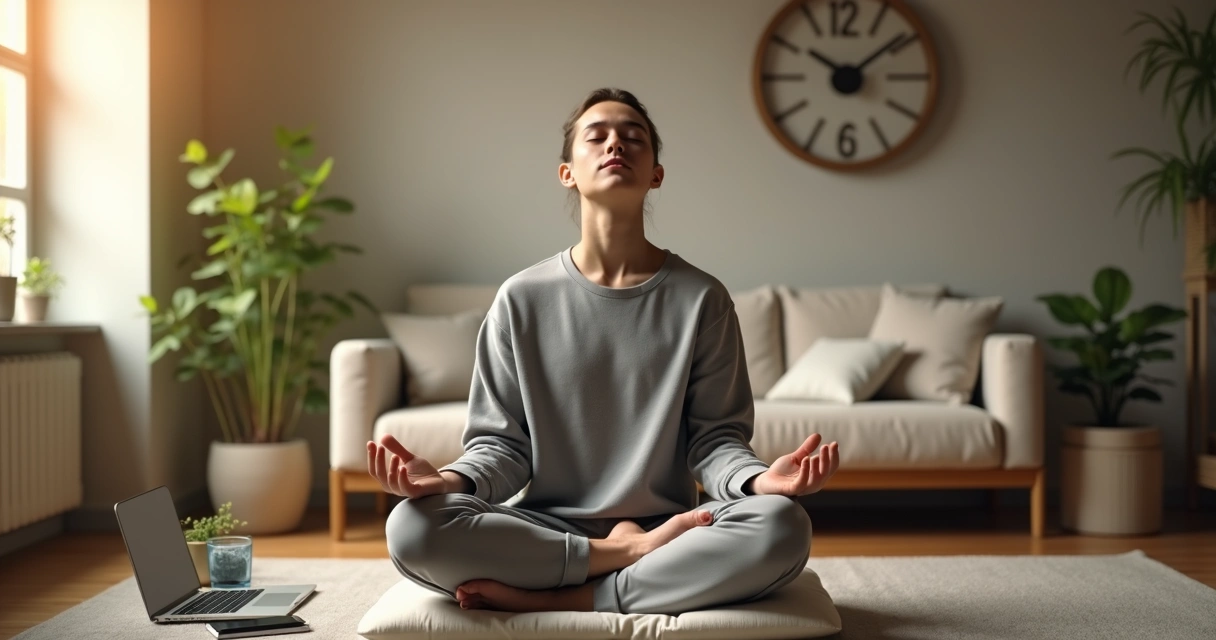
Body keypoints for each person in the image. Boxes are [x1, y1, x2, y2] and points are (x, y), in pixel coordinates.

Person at [366, 87, 840, 615]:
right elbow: (503, 449)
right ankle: (615, 562)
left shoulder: (702, 299)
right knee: (411, 525)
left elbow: (714, 441)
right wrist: (447, 480)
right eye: (597, 136)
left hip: (670, 529)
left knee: (782, 523)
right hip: (547, 528)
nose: (616, 143)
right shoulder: (520, 299)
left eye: (633, 137)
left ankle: (575, 594)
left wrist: (759, 480)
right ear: (567, 171)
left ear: (656, 173)